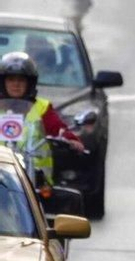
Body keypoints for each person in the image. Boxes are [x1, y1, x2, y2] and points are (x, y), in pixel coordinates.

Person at [0, 52, 84, 186]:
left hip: (36, 178)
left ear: (30, 83)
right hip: (2, 175)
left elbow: (58, 129)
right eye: (11, 79)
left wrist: (71, 139)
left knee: (65, 200)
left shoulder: (42, 107)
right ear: (2, 82)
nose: (16, 84)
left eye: (21, 80)